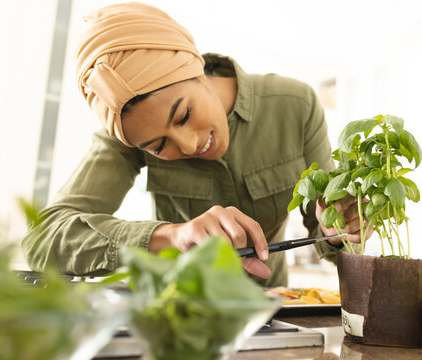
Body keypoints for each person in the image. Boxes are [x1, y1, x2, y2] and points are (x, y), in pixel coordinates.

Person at [21, 2, 370, 287]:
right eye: (158, 146)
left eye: (184, 113)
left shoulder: (295, 104)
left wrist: (340, 231)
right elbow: (43, 239)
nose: (187, 146)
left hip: (278, 318)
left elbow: (326, 231)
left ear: (195, 65)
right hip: (179, 324)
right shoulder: (127, 136)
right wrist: (171, 236)